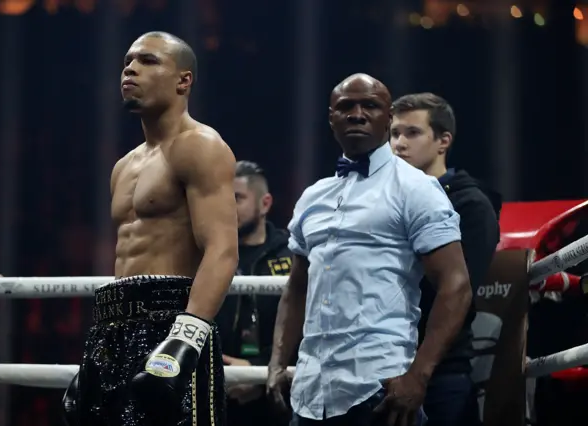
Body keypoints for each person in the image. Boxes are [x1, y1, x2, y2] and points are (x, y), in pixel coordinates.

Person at [266, 73, 472, 426]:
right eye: (346, 106)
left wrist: (418, 376)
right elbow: (297, 286)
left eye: (370, 106)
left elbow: (457, 284)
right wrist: (276, 364)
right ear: (332, 118)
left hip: (378, 387)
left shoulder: (416, 188)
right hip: (310, 393)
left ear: (387, 117)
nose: (357, 114)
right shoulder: (313, 197)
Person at [62, 32, 238, 426]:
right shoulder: (123, 167)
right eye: (127, 61)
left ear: (183, 80)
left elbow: (222, 251)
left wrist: (184, 341)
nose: (130, 68)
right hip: (112, 327)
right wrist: (95, 354)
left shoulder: (201, 146)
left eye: (148, 60)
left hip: (173, 319)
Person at [390, 92, 501, 426]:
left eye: (412, 132)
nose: (399, 144)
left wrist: (422, 369)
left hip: (439, 368)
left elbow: (458, 294)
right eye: (394, 134)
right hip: (383, 364)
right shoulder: (386, 200)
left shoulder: (471, 205)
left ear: (443, 141)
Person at [215, 160, 293, 426]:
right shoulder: (205, 256)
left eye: (237, 198)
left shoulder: (292, 257)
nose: (227, 207)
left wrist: (258, 370)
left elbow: (307, 325)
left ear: (265, 204)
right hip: (216, 391)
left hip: (277, 396)